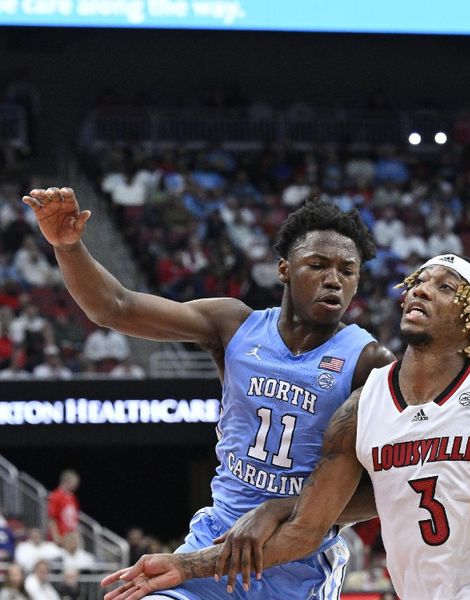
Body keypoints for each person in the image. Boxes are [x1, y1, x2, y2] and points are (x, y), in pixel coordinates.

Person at [102, 254, 470, 600]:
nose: (420, 291)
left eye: (444, 288)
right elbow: (305, 532)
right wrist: (185, 566)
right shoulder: (359, 410)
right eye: (417, 282)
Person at [23, 187, 395, 599]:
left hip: (296, 558)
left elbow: (387, 487)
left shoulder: (368, 360)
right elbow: (114, 306)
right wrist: (69, 247)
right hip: (216, 535)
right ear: (284, 270)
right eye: (318, 264)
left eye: (348, 270)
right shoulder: (235, 324)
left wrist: (287, 509)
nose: (333, 279)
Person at [47, 469, 80, 545]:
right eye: (74, 483)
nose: (76, 486)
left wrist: (76, 535)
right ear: (66, 482)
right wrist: (56, 537)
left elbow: (75, 519)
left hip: (71, 537)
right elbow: (52, 519)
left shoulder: (73, 498)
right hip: (60, 537)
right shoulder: (55, 496)